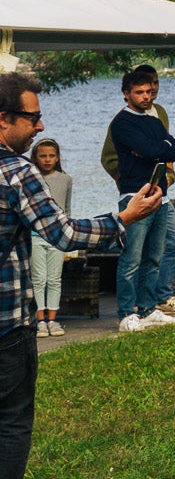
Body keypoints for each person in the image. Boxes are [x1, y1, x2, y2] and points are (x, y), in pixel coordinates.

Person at [0, 71, 163, 479]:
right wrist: (122, 218)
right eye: (31, 118)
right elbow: (65, 234)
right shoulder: (17, 171)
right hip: (7, 321)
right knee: (11, 419)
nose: (40, 126)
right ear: (4, 119)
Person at [105, 65, 175, 332]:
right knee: (132, 257)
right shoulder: (122, 122)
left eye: (148, 91)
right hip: (136, 195)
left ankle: (147, 310)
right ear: (126, 94)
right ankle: (125, 314)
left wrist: (157, 149)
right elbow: (148, 149)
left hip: (161, 196)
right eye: (139, 92)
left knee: (154, 256)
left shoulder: (154, 119)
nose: (146, 96)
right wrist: (157, 148)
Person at [28, 138, 71, 337]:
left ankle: (52, 319)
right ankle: (40, 320)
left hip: (57, 237)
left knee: (54, 279)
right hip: (35, 235)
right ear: (35, 158)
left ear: (57, 157)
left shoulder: (65, 179)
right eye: (43, 156)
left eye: (51, 156)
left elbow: (67, 210)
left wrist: (70, 241)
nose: (47, 160)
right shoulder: (30, 178)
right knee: (39, 279)